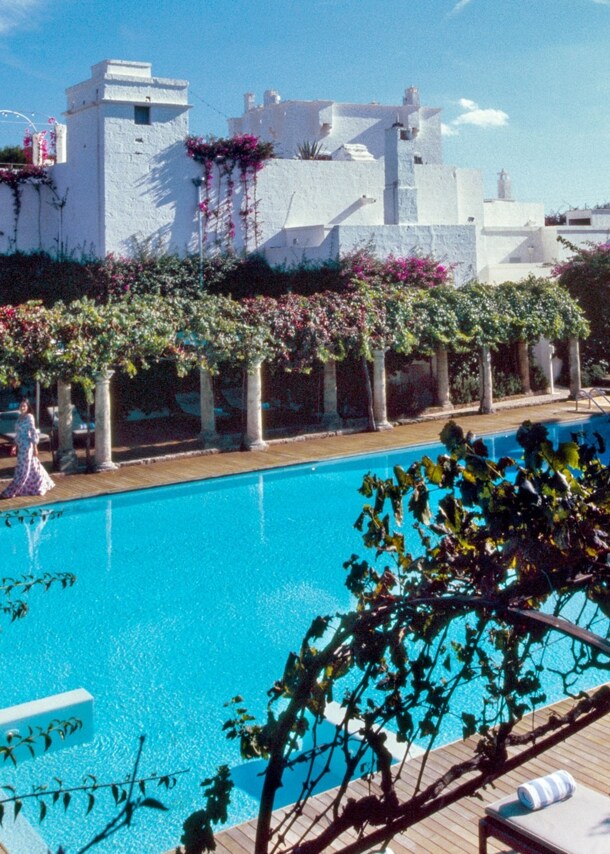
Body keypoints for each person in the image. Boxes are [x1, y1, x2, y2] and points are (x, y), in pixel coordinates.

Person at [1, 399, 55, 499]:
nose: (22, 408)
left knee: (23, 468)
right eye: (21, 406)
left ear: (28, 407)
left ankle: (13, 490)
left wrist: (35, 447)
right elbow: (18, 433)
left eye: (24, 406)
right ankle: (40, 484)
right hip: (21, 446)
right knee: (33, 466)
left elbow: (33, 432)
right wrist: (14, 445)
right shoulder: (19, 418)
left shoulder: (29, 417)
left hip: (27, 446)